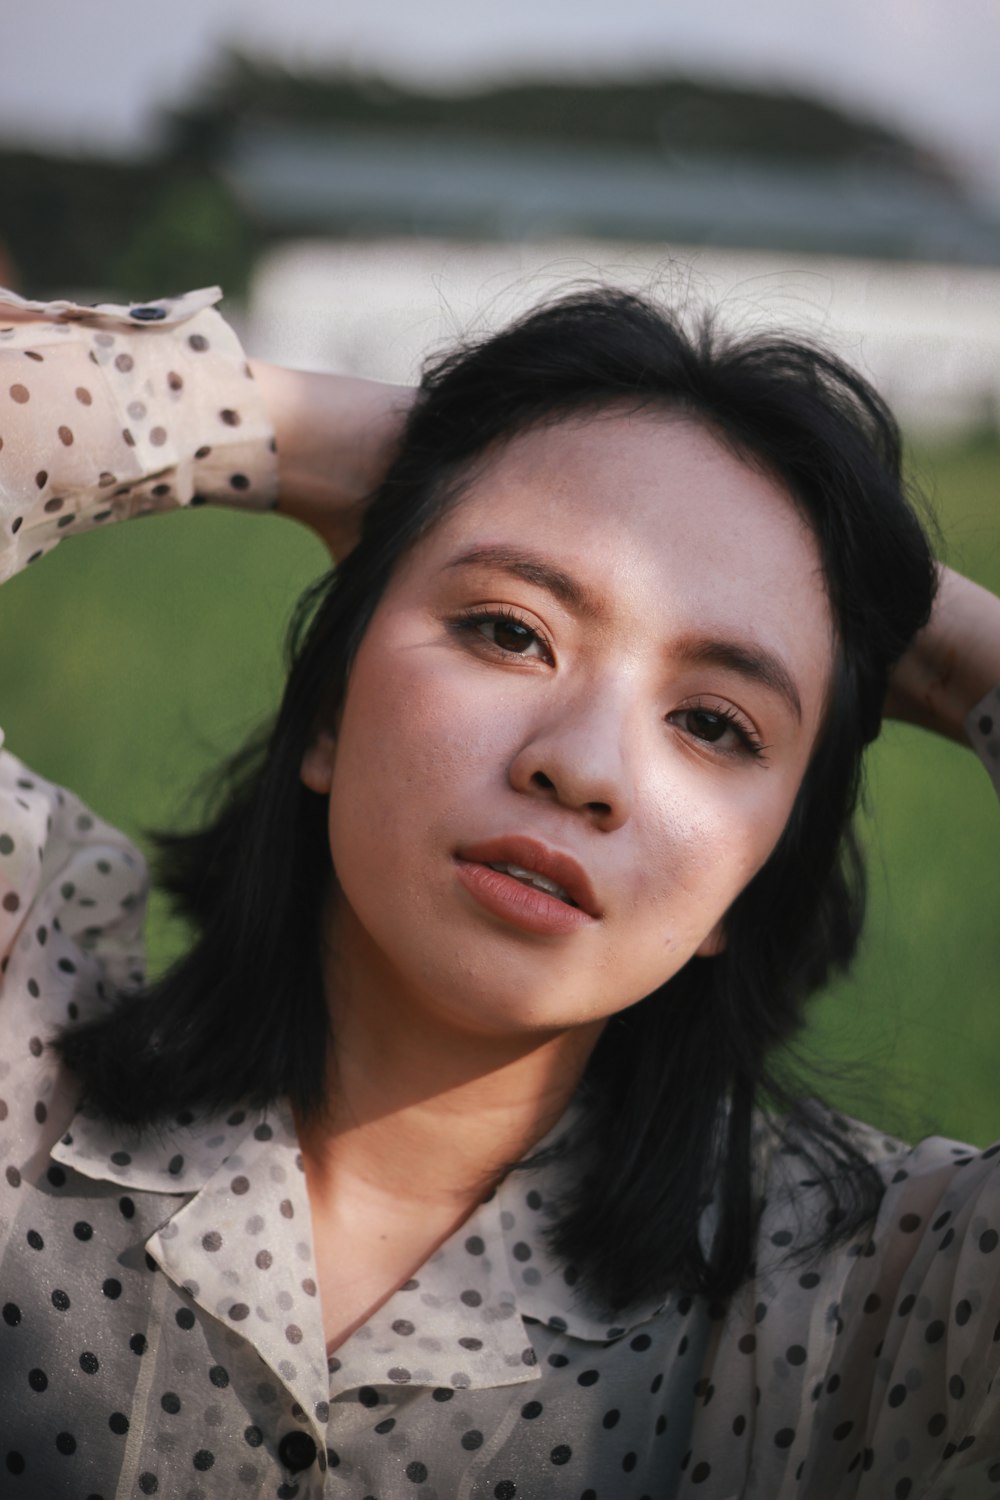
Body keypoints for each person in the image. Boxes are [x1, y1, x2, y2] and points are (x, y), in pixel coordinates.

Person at [0, 281, 998, 1500]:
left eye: (713, 723)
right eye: (508, 630)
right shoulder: (23, 1034)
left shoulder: (866, 1305)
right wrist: (331, 443)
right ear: (326, 707)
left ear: (754, 880)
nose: (579, 766)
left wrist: (937, 646)